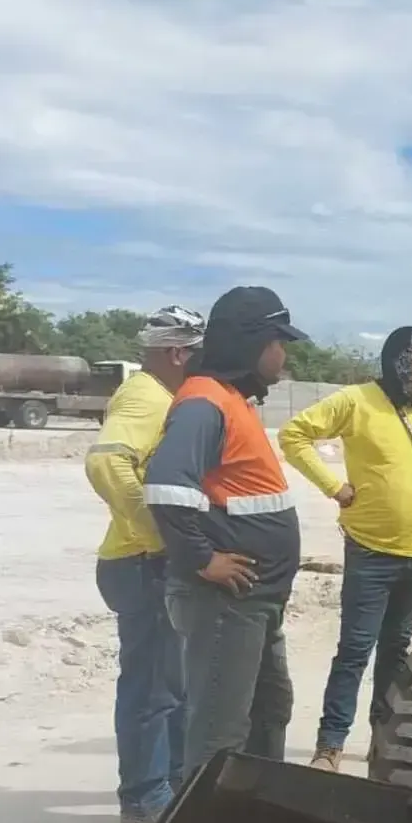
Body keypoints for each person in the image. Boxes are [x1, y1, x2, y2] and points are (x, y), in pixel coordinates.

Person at [280, 326, 412, 772]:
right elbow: (294, 435)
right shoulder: (356, 401)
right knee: (355, 650)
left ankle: (382, 743)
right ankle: (330, 747)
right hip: (371, 553)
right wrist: (334, 486)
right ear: (396, 364)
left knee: (397, 651)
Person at [143, 286, 308, 784]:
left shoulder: (232, 400)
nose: (284, 354)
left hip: (255, 602)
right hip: (226, 604)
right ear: (253, 343)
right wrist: (203, 560)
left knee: (268, 712)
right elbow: (166, 487)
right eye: (279, 341)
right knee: (220, 738)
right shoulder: (205, 403)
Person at [83, 304, 204, 823]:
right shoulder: (145, 396)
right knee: (151, 687)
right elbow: (106, 460)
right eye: (200, 355)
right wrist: (157, 535)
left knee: (170, 686)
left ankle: (170, 784)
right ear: (178, 352)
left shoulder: (168, 396)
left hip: (149, 559)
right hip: (140, 562)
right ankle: (144, 795)